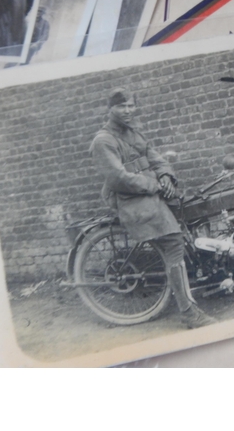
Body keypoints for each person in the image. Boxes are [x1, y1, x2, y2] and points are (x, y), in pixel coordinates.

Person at [89, 88, 214, 329]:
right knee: (174, 243)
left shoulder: (133, 132)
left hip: (150, 193)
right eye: (122, 106)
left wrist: (166, 177)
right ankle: (188, 313)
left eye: (131, 105)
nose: (127, 110)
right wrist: (154, 185)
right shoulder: (103, 141)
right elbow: (117, 178)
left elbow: (155, 157)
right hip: (131, 199)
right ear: (110, 109)